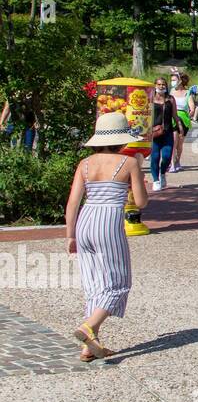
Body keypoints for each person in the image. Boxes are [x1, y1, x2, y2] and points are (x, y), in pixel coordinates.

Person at [64, 112, 148, 361]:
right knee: (119, 283)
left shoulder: (85, 164)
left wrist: (70, 235)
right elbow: (141, 202)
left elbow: (72, 202)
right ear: (123, 141)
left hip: (85, 221)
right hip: (108, 221)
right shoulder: (130, 163)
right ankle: (88, 327)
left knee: (93, 284)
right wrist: (141, 180)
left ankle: (89, 346)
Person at [148, 76, 181, 191]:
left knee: (167, 157)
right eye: (159, 84)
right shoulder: (150, 98)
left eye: (163, 84)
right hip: (154, 133)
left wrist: (180, 126)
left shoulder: (170, 99)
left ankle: (162, 174)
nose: (161, 86)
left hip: (167, 131)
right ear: (155, 86)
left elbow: (175, 115)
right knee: (155, 157)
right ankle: (156, 180)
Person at [168, 72, 191, 172]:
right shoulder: (171, 92)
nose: (172, 82)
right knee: (173, 141)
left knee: (179, 144)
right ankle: (172, 164)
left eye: (174, 80)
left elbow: (192, 107)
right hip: (172, 118)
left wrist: (190, 114)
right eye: (172, 80)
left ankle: (177, 161)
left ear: (180, 81)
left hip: (184, 118)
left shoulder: (188, 92)